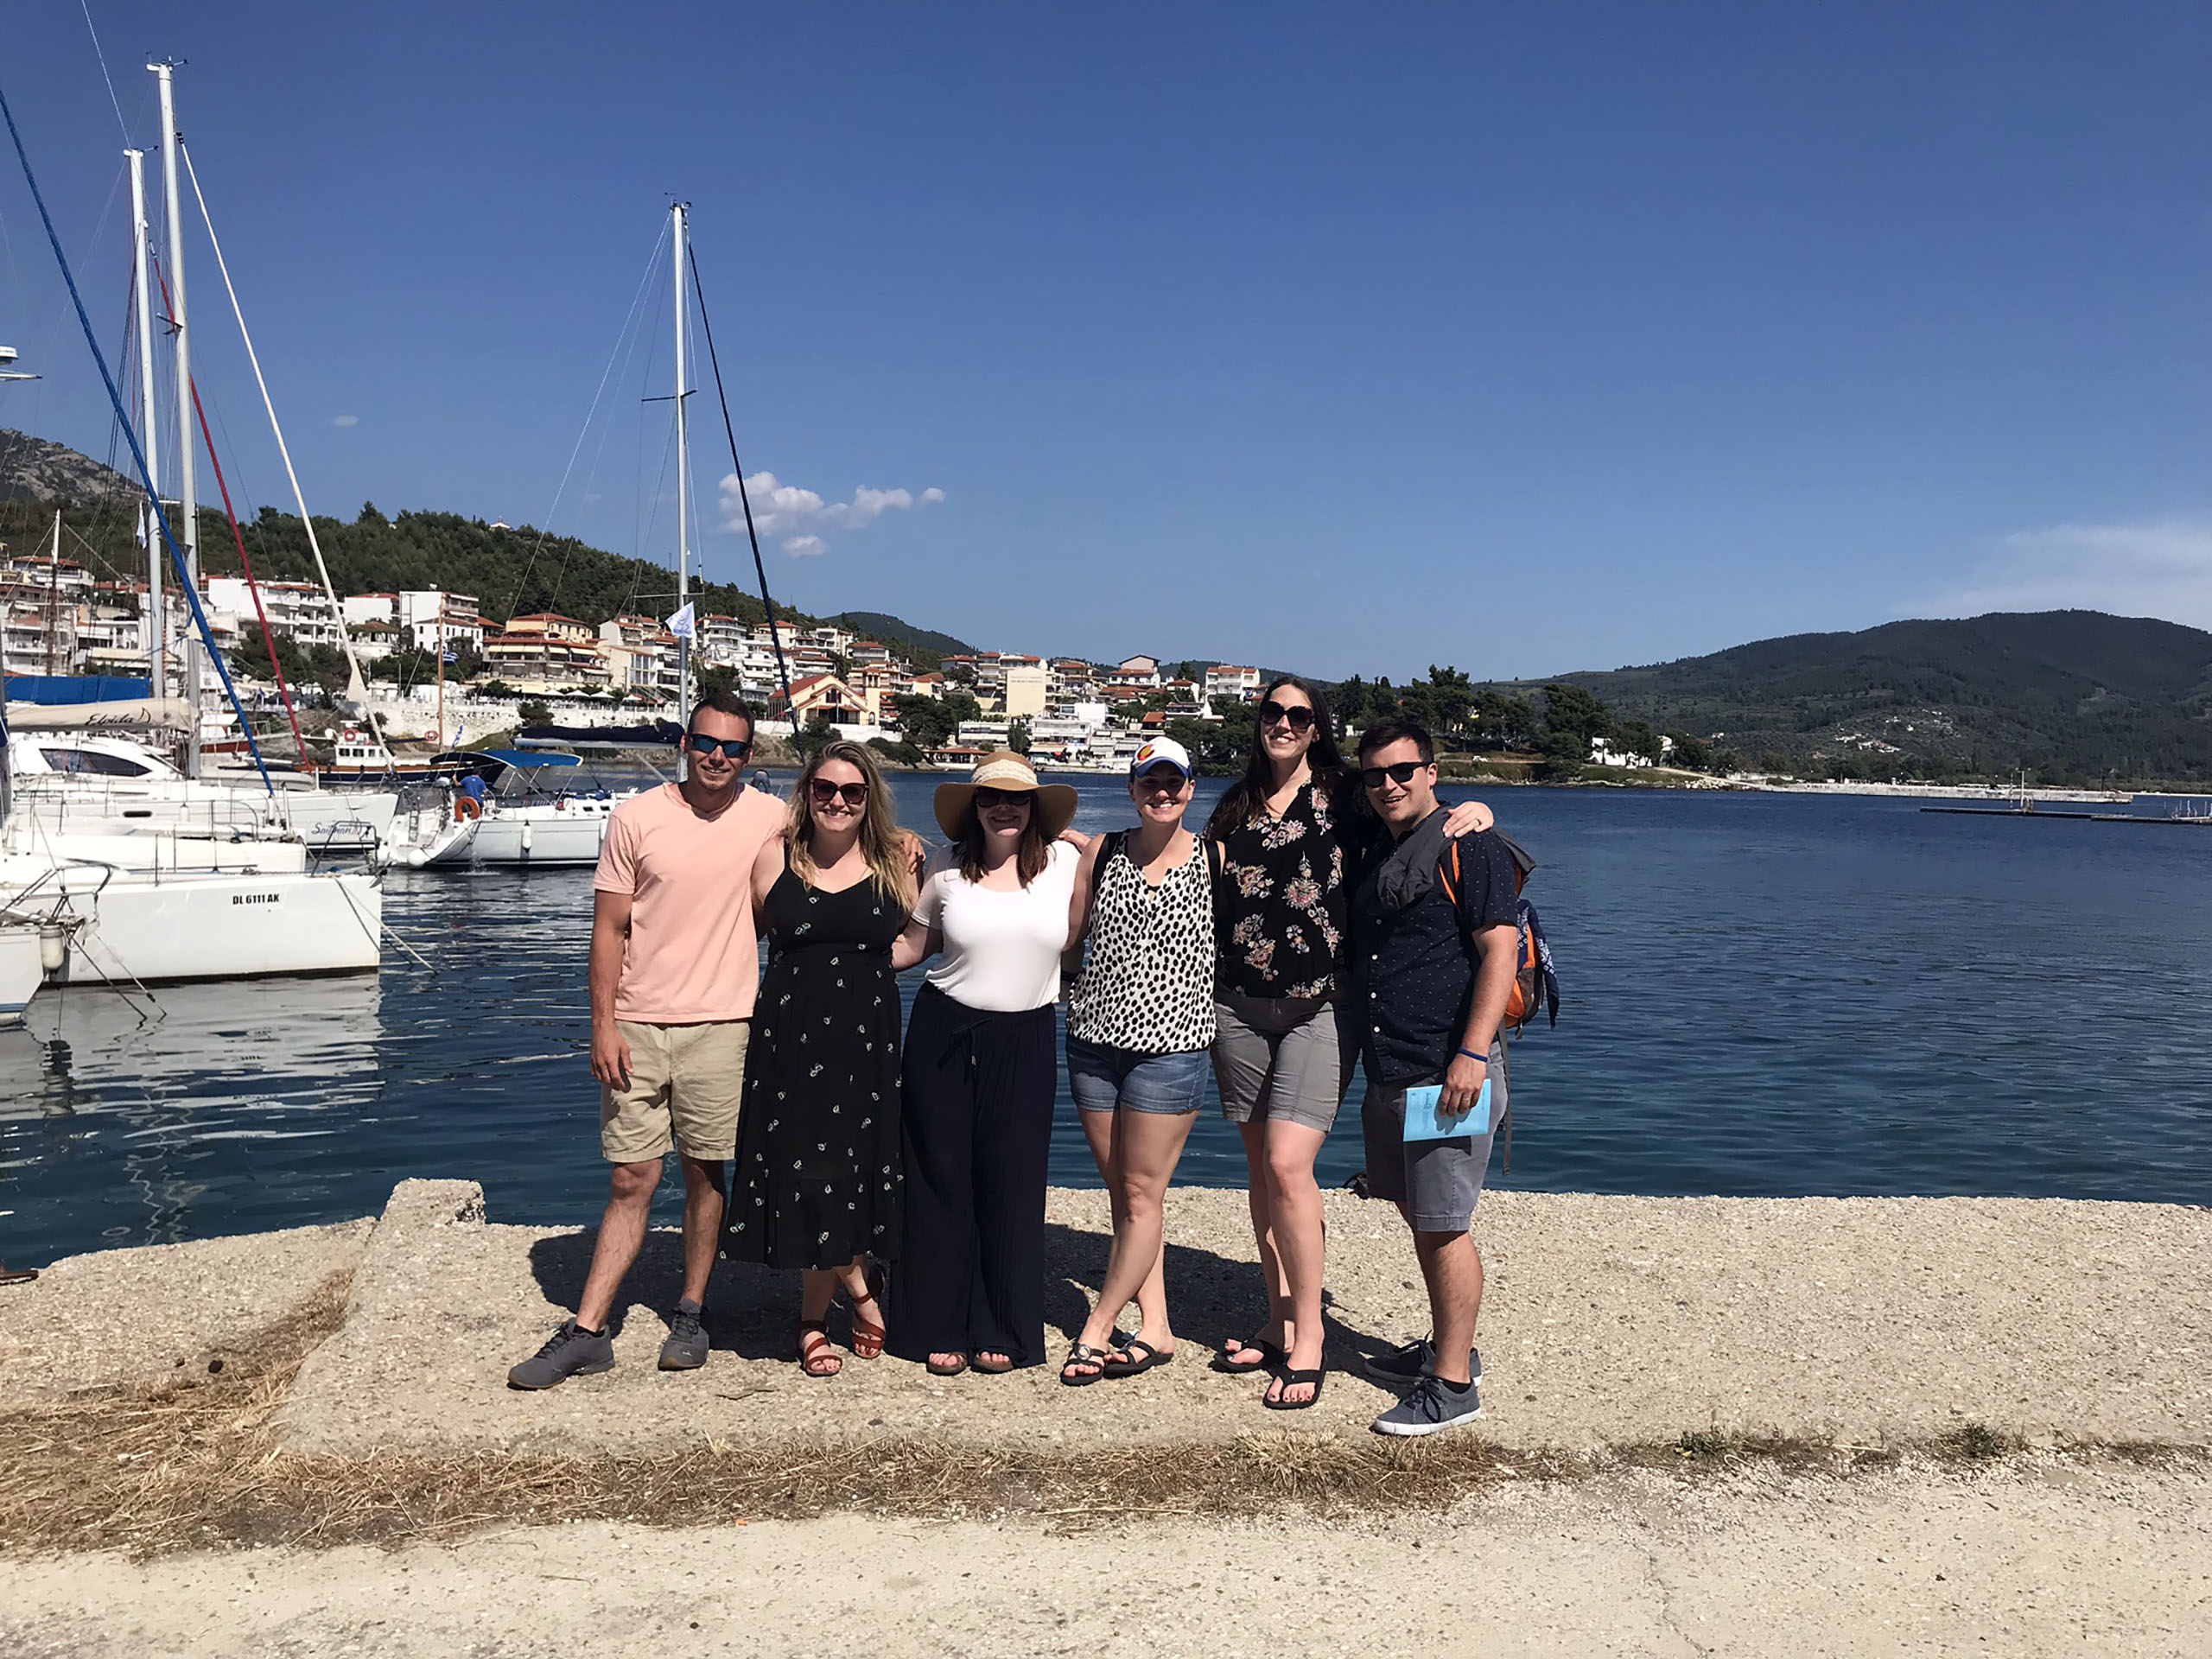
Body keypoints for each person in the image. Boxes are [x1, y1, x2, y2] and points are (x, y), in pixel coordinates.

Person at [1203, 677, 1490, 1409]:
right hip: (1237, 1007)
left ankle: (1310, 1339)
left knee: (1288, 1163)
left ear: (1316, 727)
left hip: (1320, 1008)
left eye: (1301, 715)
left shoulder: (1345, 796)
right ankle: (1276, 1318)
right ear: (1258, 721)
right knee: (1261, 1174)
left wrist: (1475, 812)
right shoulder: (1232, 806)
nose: (1285, 723)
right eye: (1274, 712)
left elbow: (1417, 818)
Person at [507, 693, 784, 1389]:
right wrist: (601, 1024)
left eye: (734, 748)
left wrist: (905, 846)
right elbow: (608, 932)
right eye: (707, 743)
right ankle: (589, 1329)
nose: (719, 757)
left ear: (750, 756)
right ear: (685, 742)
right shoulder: (636, 817)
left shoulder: (770, 817)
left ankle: (691, 1312)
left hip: (723, 1024)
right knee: (632, 1175)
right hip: (637, 1022)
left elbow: (847, 836)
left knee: (704, 1173)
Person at [724, 741, 925, 1377]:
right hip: (789, 1037)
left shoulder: (897, 860)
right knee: (805, 1172)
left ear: (870, 800)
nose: (838, 801)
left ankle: (815, 1318)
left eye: (853, 792)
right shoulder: (772, 857)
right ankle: (857, 1295)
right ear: (807, 792)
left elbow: (915, 942)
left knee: (848, 1171)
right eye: (826, 789)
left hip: (864, 1040)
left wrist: (864, 972)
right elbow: (747, 939)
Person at [1345, 719, 1522, 1437]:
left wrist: (1472, 1055)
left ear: (1431, 772)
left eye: (1403, 770)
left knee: (1444, 1227)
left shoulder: (1469, 847)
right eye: (1375, 775)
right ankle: (1451, 1348)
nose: (1389, 784)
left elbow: (1500, 952)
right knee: (1419, 1215)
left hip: (1449, 1072)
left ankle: (1453, 1385)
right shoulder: (1382, 846)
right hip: (1394, 1067)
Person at [887, 750, 1081, 1376]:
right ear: (974, 808)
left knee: (1013, 1183)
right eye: (991, 797)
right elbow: (912, 948)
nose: (1004, 807)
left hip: (1026, 1037)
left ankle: (1003, 1325)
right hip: (944, 1030)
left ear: (1034, 809)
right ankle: (935, 1323)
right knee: (939, 1179)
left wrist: (1078, 834)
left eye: (1017, 798)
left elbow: (1123, 854)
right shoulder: (944, 869)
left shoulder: (1067, 864)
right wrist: (834, 954)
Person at [1057, 737, 1214, 1385]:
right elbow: (1071, 939)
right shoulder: (1101, 851)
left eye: (1174, 781)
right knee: (1125, 1194)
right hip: (1093, 1040)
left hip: (1171, 1050)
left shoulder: (1216, 858)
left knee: (1142, 1193)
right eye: (1150, 780)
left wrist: (1474, 812)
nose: (1162, 792)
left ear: (1191, 789)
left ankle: (1097, 1325)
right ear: (1131, 787)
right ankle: (1157, 1326)